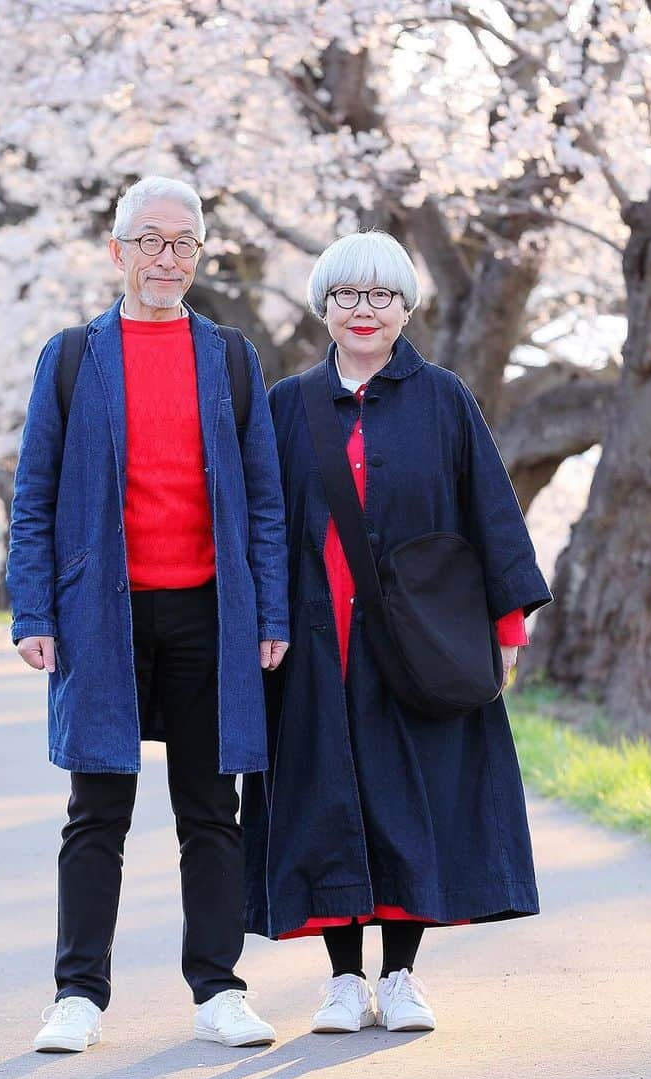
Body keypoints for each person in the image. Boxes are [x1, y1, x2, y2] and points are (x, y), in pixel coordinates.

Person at [242, 230, 551, 1036]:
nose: (364, 310)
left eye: (382, 295)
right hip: (313, 646)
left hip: (419, 642)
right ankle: (343, 981)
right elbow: (261, 526)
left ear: (406, 307)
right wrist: (262, 623)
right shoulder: (288, 403)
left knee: (411, 798)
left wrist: (506, 630)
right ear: (325, 307)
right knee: (323, 801)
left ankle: (403, 976)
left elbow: (491, 512)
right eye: (347, 295)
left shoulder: (444, 398)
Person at [7, 176, 289, 1054]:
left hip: (211, 615)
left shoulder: (232, 358)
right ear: (117, 249)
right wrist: (33, 610)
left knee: (212, 812)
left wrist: (271, 610)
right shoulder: (71, 357)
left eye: (184, 244)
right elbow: (34, 497)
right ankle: (77, 994)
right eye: (151, 241)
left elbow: (267, 501)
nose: (167, 259)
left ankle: (218, 990)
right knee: (98, 811)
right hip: (101, 617)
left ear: (201, 256)